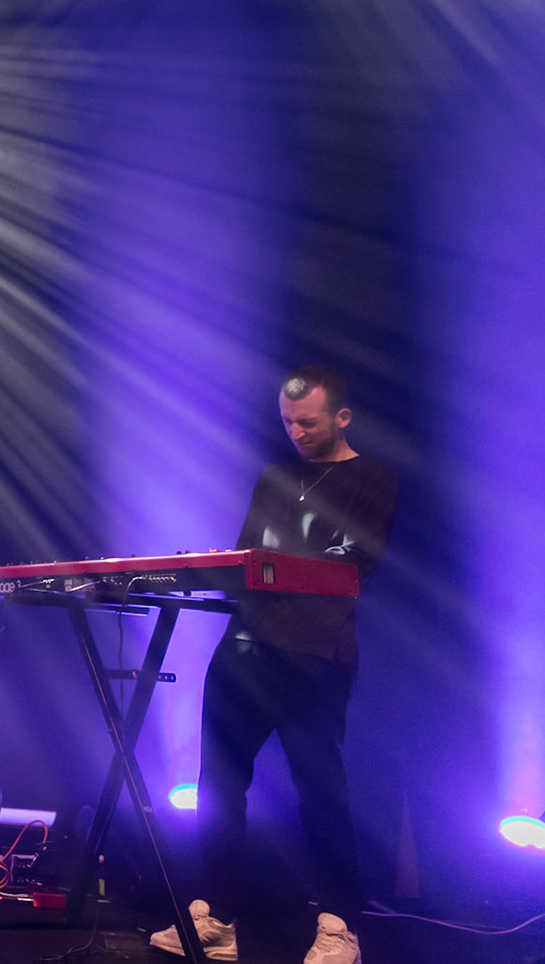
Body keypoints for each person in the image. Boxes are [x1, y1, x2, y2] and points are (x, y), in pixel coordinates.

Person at [152, 366, 398, 964]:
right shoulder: (275, 475)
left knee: (319, 788)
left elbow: (356, 563)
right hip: (243, 648)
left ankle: (340, 928)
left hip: (317, 654)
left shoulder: (372, 478)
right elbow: (249, 555)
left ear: (341, 417)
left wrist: (273, 564)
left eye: (307, 422)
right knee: (219, 784)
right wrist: (223, 563)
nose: (296, 433)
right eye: (288, 422)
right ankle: (218, 917)